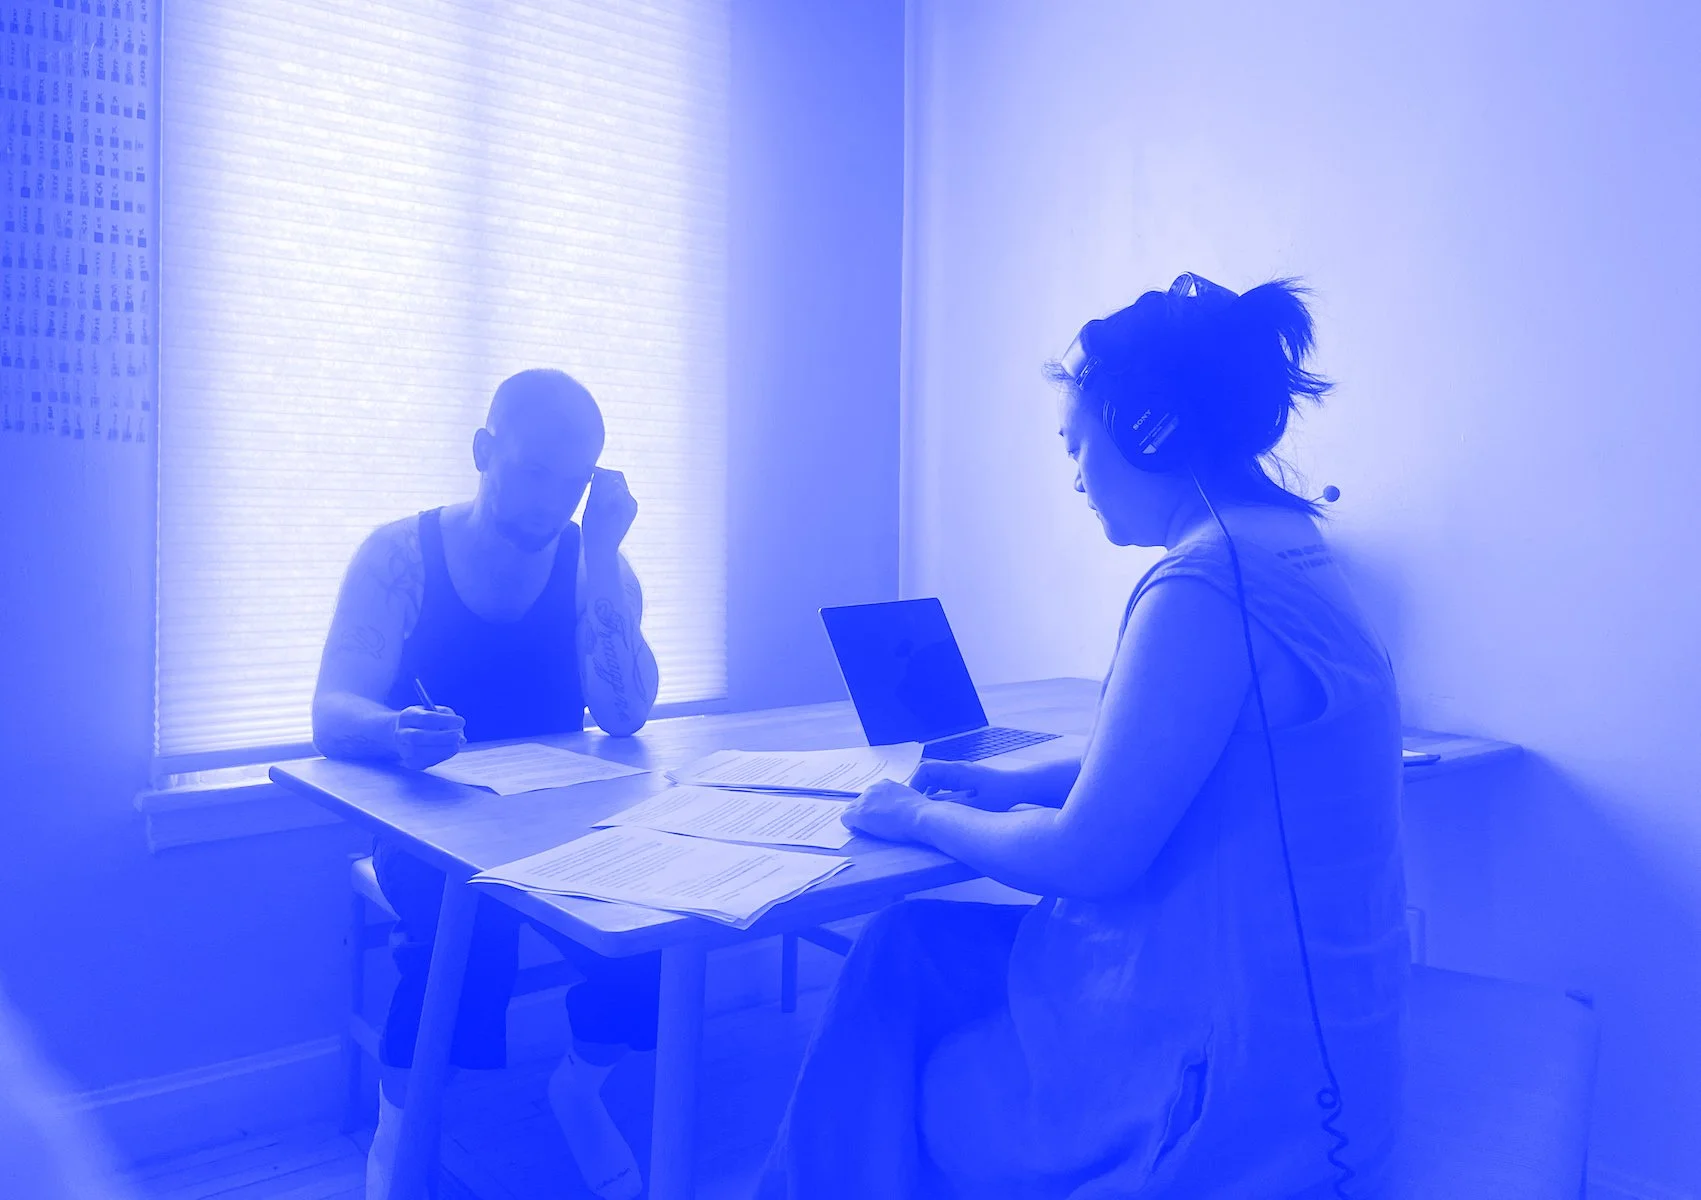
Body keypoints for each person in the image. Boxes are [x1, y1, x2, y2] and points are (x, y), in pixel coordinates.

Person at [757, 276, 1409, 1198]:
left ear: (1146, 430)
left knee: (893, 987)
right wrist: (1016, 780)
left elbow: (1087, 857)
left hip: (1226, 1076)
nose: (1072, 476)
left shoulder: (1201, 587)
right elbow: (1206, 754)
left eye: (1076, 445)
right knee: (910, 947)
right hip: (1328, 1038)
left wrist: (914, 814)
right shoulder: (1291, 549)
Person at [312, 368, 661, 1200]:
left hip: (566, 819)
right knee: (460, 943)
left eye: (573, 483)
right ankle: (403, 1128)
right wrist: (393, 732)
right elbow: (330, 710)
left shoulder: (594, 564)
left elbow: (623, 715)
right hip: (429, 818)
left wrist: (604, 552)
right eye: (534, 472)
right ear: (484, 450)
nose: (552, 502)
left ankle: (579, 1085)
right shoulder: (399, 553)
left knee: (654, 939)